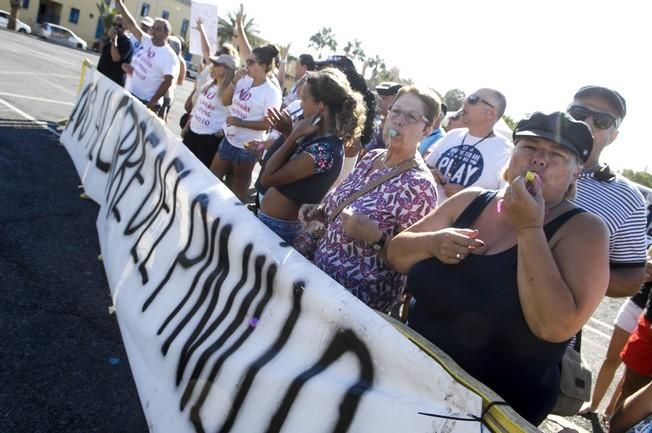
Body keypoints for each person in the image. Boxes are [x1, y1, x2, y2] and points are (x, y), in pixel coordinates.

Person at [388, 111, 610, 424]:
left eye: (557, 154)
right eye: (530, 147)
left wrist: (529, 228)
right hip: (404, 380)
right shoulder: (471, 200)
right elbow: (396, 254)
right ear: (513, 152)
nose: (540, 160)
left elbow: (554, 327)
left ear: (576, 173)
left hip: (488, 414)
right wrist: (432, 243)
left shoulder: (585, 231)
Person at [310, 86, 439, 313]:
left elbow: (410, 262)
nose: (399, 120)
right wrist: (320, 210)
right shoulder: (371, 157)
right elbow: (346, 199)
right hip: (319, 280)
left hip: (356, 305)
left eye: (411, 117)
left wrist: (375, 237)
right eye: (396, 111)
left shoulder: (420, 185)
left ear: (427, 129)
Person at [255, 68, 366, 243]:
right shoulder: (316, 136)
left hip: (277, 228)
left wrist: (292, 136)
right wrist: (288, 133)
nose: (300, 104)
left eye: (304, 99)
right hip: (271, 222)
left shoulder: (324, 151)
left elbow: (268, 178)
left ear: (320, 106)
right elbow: (271, 164)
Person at [567, 86, 648, 298]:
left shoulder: (628, 198)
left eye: (602, 121)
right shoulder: (523, 156)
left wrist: (569, 268)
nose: (587, 123)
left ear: (614, 136)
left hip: (547, 323)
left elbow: (631, 279)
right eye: (579, 114)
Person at [209, 44, 282, 202]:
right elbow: (225, 101)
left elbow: (268, 124)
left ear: (263, 66)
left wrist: (241, 122)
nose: (246, 65)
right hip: (229, 140)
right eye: (247, 61)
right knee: (211, 179)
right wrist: (234, 81)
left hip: (248, 147)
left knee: (236, 190)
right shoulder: (243, 80)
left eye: (250, 62)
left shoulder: (271, 92)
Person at [425, 88, 513, 205]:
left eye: (473, 99)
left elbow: (504, 201)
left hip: (461, 223)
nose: (465, 102)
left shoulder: (506, 152)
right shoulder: (452, 135)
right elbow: (425, 167)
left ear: (491, 113)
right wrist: (430, 173)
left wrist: (468, 196)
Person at [116, 0, 179, 114]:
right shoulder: (147, 41)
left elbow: (168, 81)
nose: (153, 31)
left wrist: (154, 100)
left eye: (158, 29)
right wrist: (119, 3)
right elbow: (131, 24)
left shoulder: (169, 56)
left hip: (145, 102)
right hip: (130, 92)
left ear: (166, 34)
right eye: (153, 28)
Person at [181, 54, 236, 168]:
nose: (213, 67)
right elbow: (197, 108)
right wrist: (187, 126)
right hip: (193, 132)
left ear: (227, 69)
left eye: (217, 65)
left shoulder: (229, 91)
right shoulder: (209, 84)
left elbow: (233, 115)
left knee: (197, 173)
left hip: (207, 139)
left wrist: (219, 133)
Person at [364, 81, 402, 152]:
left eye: (384, 98)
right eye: (379, 98)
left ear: (396, 100)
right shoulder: (377, 122)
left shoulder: (396, 130)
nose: (379, 101)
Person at [96, 14, 133, 86]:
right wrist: (106, 38)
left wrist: (113, 40)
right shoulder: (110, 37)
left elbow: (115, 58)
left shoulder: (127, 43)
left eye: (119, 26)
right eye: (114, 24)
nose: (116, 27)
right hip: (100, 78)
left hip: (112, 84)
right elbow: (102, 51)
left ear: (126, 28)